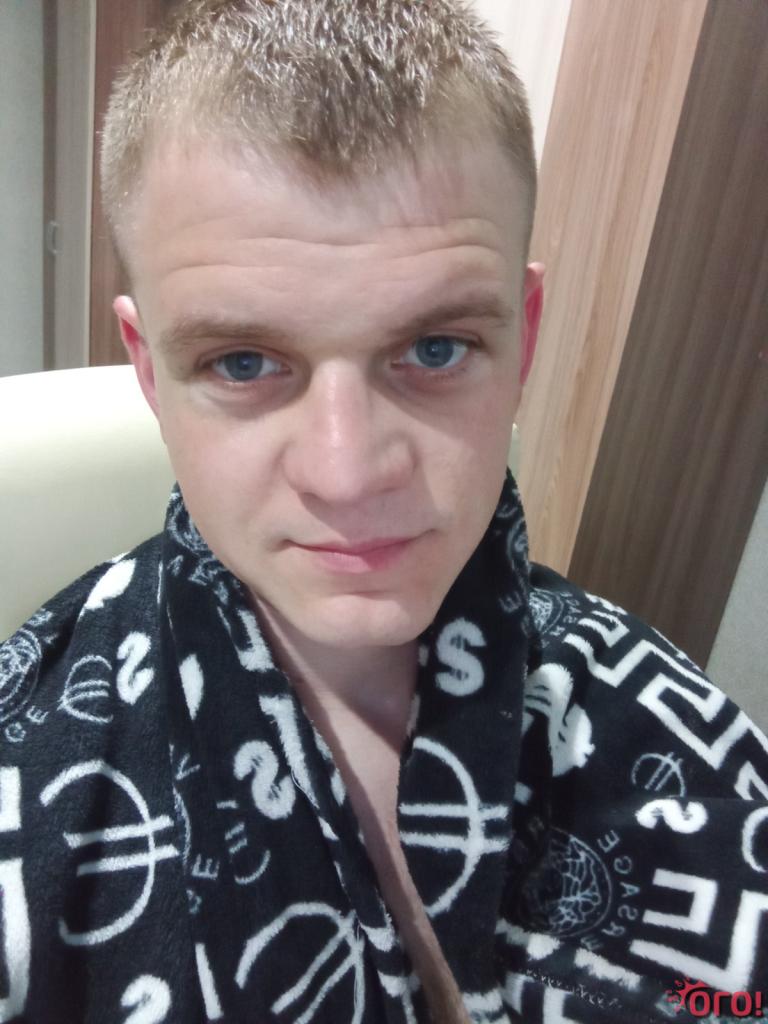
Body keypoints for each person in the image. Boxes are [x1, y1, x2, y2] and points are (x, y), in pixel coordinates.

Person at [2, 1, 767, 1021]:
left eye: (435, 349)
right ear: (149, 370)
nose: (348, 472)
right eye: (243, 362)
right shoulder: (29, 763)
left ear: (524, 338)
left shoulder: (689, 747)